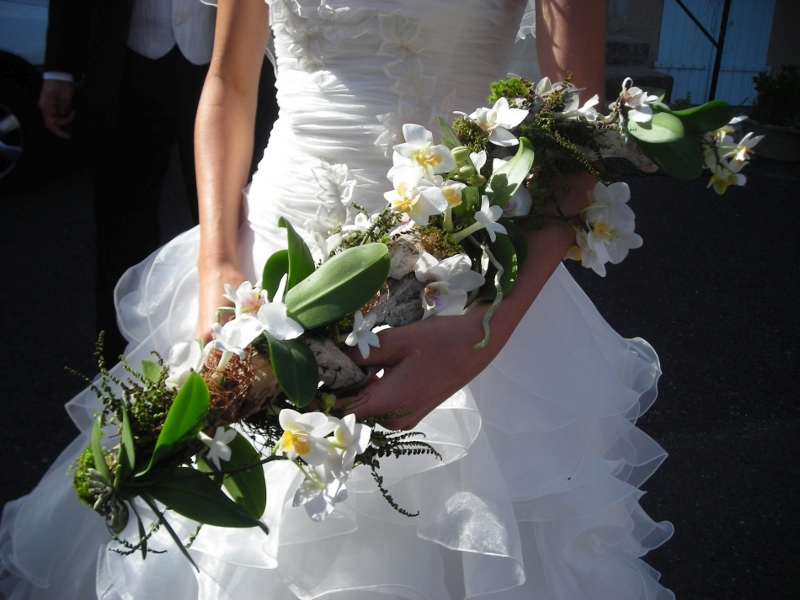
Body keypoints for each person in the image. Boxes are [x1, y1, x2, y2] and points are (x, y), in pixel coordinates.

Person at [0, 1, 673, 598]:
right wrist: (218, 267)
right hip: (270, 266)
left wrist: (477, 338)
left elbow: (571, 144)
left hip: (462, 278)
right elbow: (230, 84)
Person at [37, 0, 277, 361]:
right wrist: (60, 69)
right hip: (126, 63)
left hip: (232, 63)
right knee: (120, 226)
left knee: (236, 225)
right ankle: (123, 371)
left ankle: (236, 358)